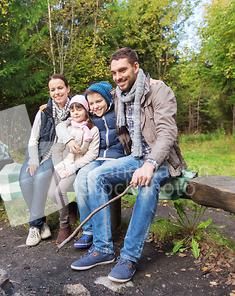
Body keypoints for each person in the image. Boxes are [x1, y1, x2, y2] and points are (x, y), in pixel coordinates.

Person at [70, 47, 188, 282]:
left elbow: (167, 133)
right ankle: (102, 249)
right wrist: (55, 107)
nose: (118, 76)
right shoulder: (118, 95)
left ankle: (129, 257)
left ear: (136, 68)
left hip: (161, 160)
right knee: (95, 176)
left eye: (122, 70)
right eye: (114, 72)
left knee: (148, 181)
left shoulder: (159, 91)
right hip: (134, 157)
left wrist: (151, 163)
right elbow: (93, 101)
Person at [62, 82, 126, 249]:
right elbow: (64, 122)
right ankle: (88, 230)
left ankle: (101, 231)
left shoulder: (119, 110)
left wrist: (153, 82)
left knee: (94, 179)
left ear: (107, 99)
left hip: (116, 159)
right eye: (91, 103)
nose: (95, 106)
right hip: (96, 159)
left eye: (99, 101)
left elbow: (133, 92)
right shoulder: (89, 119)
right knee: (80, 180)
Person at [19, 73, 71, 247]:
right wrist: (33, 159)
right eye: (53, 89)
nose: (57, 92)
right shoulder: (43, 112)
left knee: (40, 177)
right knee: (25, 179)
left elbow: (95, 97)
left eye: (60, 88)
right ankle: (41, 223)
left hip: (58, 155)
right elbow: (33, 139)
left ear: (68, 89)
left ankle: (34, 226)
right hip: (39, 152)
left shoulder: (76, 109)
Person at [48, 95, 100, 245]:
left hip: (77, 166)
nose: (75, 113)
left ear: (86, 110)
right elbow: (57, 149)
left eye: (79, 109)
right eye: (72, 110)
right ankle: (71, 207)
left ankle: (64, 226)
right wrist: (59, 168)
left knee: (60, 191)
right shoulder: (67, 128)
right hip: (62, 165)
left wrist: (72, 168)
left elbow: (92, 153)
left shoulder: (92, 130)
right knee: (52, 193)